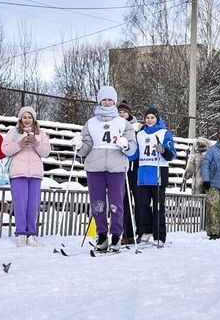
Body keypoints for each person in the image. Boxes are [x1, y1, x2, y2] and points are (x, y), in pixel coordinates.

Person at [72, 86, 138, 252]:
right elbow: (86, 147)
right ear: (99, 101)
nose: (107, 102)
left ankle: (116, 235)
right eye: (104, 99)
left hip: (116, 167)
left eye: (110, 100)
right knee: (98, 203)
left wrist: (125, 145)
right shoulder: (91, 123)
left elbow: (132, 147)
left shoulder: (123, 123)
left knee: (116, 203)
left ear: (114, 102)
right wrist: (79, 146)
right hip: (95, 167)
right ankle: (102, 235)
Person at [2, 106, 52, 246]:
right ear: (21, 118)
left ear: (33, 119)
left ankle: (31, 234)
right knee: (20, 204)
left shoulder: (41, 133)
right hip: (18, 173)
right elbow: (5, 149)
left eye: (30, 117)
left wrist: (36, 144)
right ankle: (21, 234)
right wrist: (20, 144)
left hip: (35, 174)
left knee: (33, 205)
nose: (27, 120)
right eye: (25, 117)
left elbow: (46, 152)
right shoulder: (13, 132)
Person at [131, 108, 177, 246]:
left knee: (158, 207)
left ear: (157, 118)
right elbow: (134, 154)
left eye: (152, 117)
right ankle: (146, 230)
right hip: (143, 174)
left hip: (158, 174)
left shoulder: (164, 133)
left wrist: (163, 150)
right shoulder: (140, 134)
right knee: (142, 205)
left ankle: (159, 235)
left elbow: (172, 154)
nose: (149, 119)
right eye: (147, 117)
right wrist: (125, 149)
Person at [118, 100, 142, 245]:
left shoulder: (136, 127)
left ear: (129, 114)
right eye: (119, 112)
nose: (122, 114)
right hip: (121, 168)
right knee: (124, 202)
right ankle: (126, 233)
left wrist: (128, 152)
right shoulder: (114, 126)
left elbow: (138, 148)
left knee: (139, 200)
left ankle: (140, 231)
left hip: (135, 166)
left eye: (124, 112)